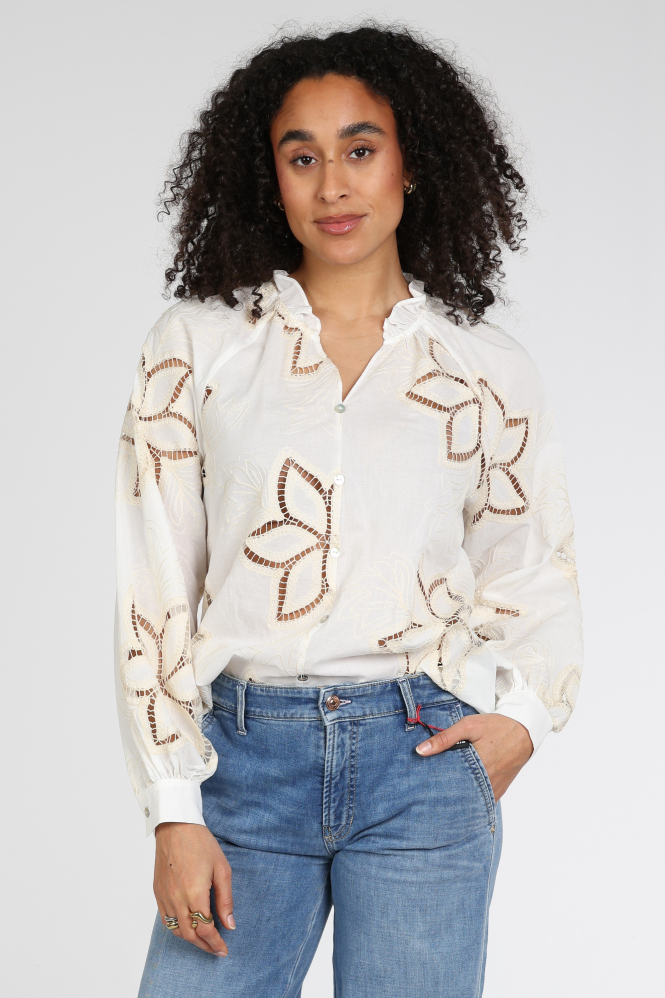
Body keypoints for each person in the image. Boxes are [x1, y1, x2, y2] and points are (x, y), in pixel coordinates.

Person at [115, 24, 583, 998]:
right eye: (302, 157)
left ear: (410, 162)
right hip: (242, 762)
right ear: (271, 177)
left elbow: (532, 559)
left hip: (421, 757)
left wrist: (524, 718)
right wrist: (172, 804)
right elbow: (154, 581)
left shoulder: (483, 367)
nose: (332, 184)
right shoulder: (200, 346)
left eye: (359, 149)